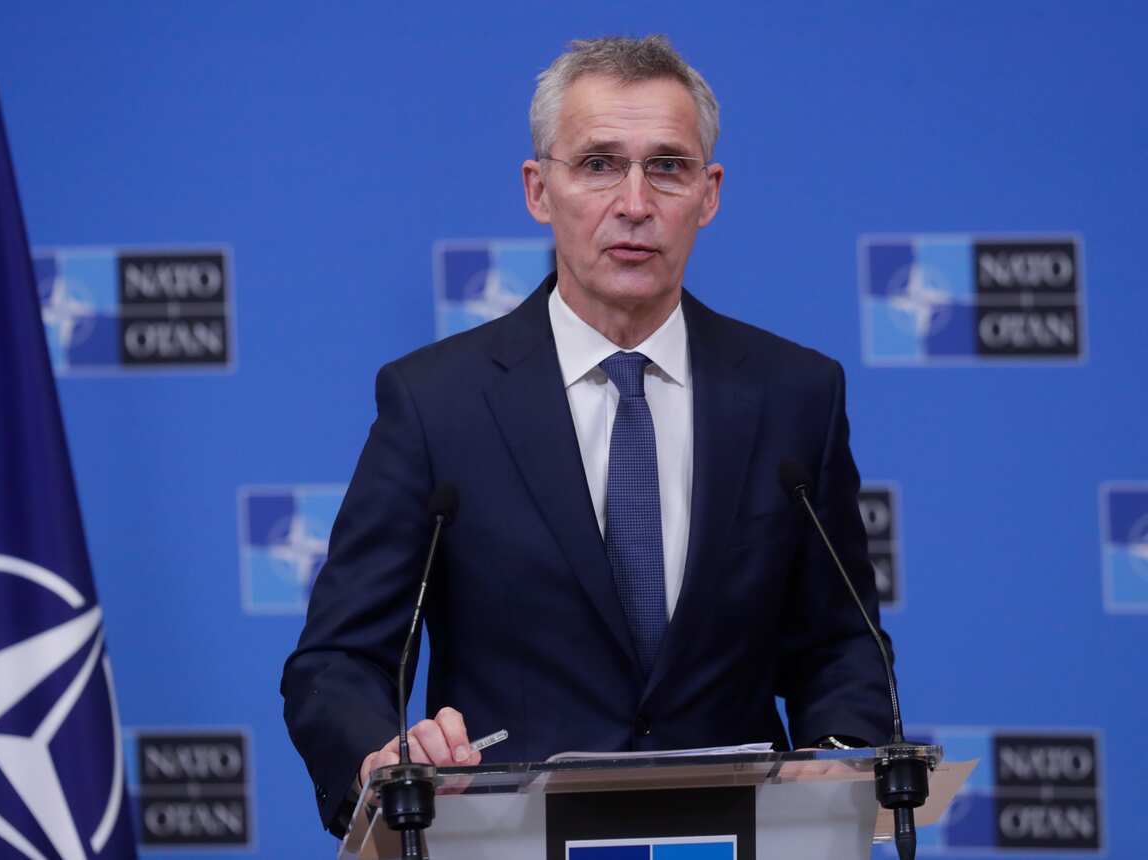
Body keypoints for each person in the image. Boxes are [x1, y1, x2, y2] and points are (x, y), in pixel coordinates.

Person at [281, 34, 893, 837]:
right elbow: (337, 661)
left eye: (667, 167)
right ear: (539, 190)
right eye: (599, 164)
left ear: (709, 194)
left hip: (731, 839)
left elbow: (841, 642)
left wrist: (842, 756)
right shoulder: (438, 403)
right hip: (505, 840)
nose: (634, 202)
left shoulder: (793, 395)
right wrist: (379, 755)